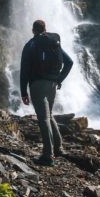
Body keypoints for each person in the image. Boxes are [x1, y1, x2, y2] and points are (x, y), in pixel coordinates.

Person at [20, 19, 73, 166]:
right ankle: (58, 148)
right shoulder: (53, 43)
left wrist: (23, 91)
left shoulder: (31, 45)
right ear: (45, 28)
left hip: (38, 85)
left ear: (33, 30)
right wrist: (59, 79)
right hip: (52, 84)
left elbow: (24, 70)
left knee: (43, 118)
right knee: (49, 116)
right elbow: (69, 62)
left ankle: (48, 156)